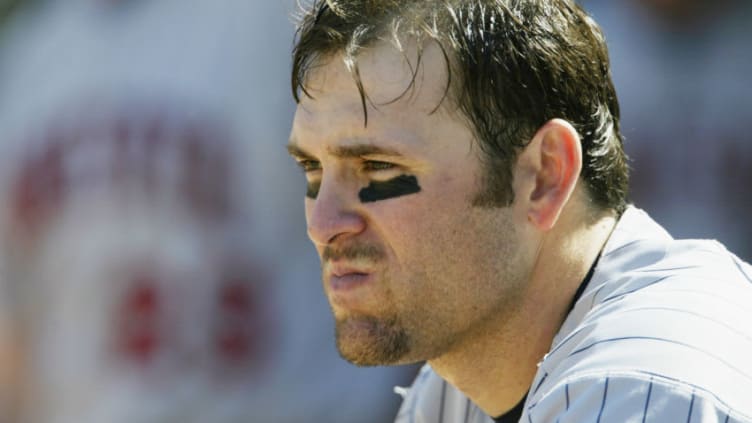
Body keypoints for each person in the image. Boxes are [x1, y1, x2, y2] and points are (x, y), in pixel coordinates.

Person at [286, 0, 752, 421]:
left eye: (378, 167)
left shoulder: (645, 388)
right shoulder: (464, 374)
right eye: (313, 169)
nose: (323, 225)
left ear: (543, 176)